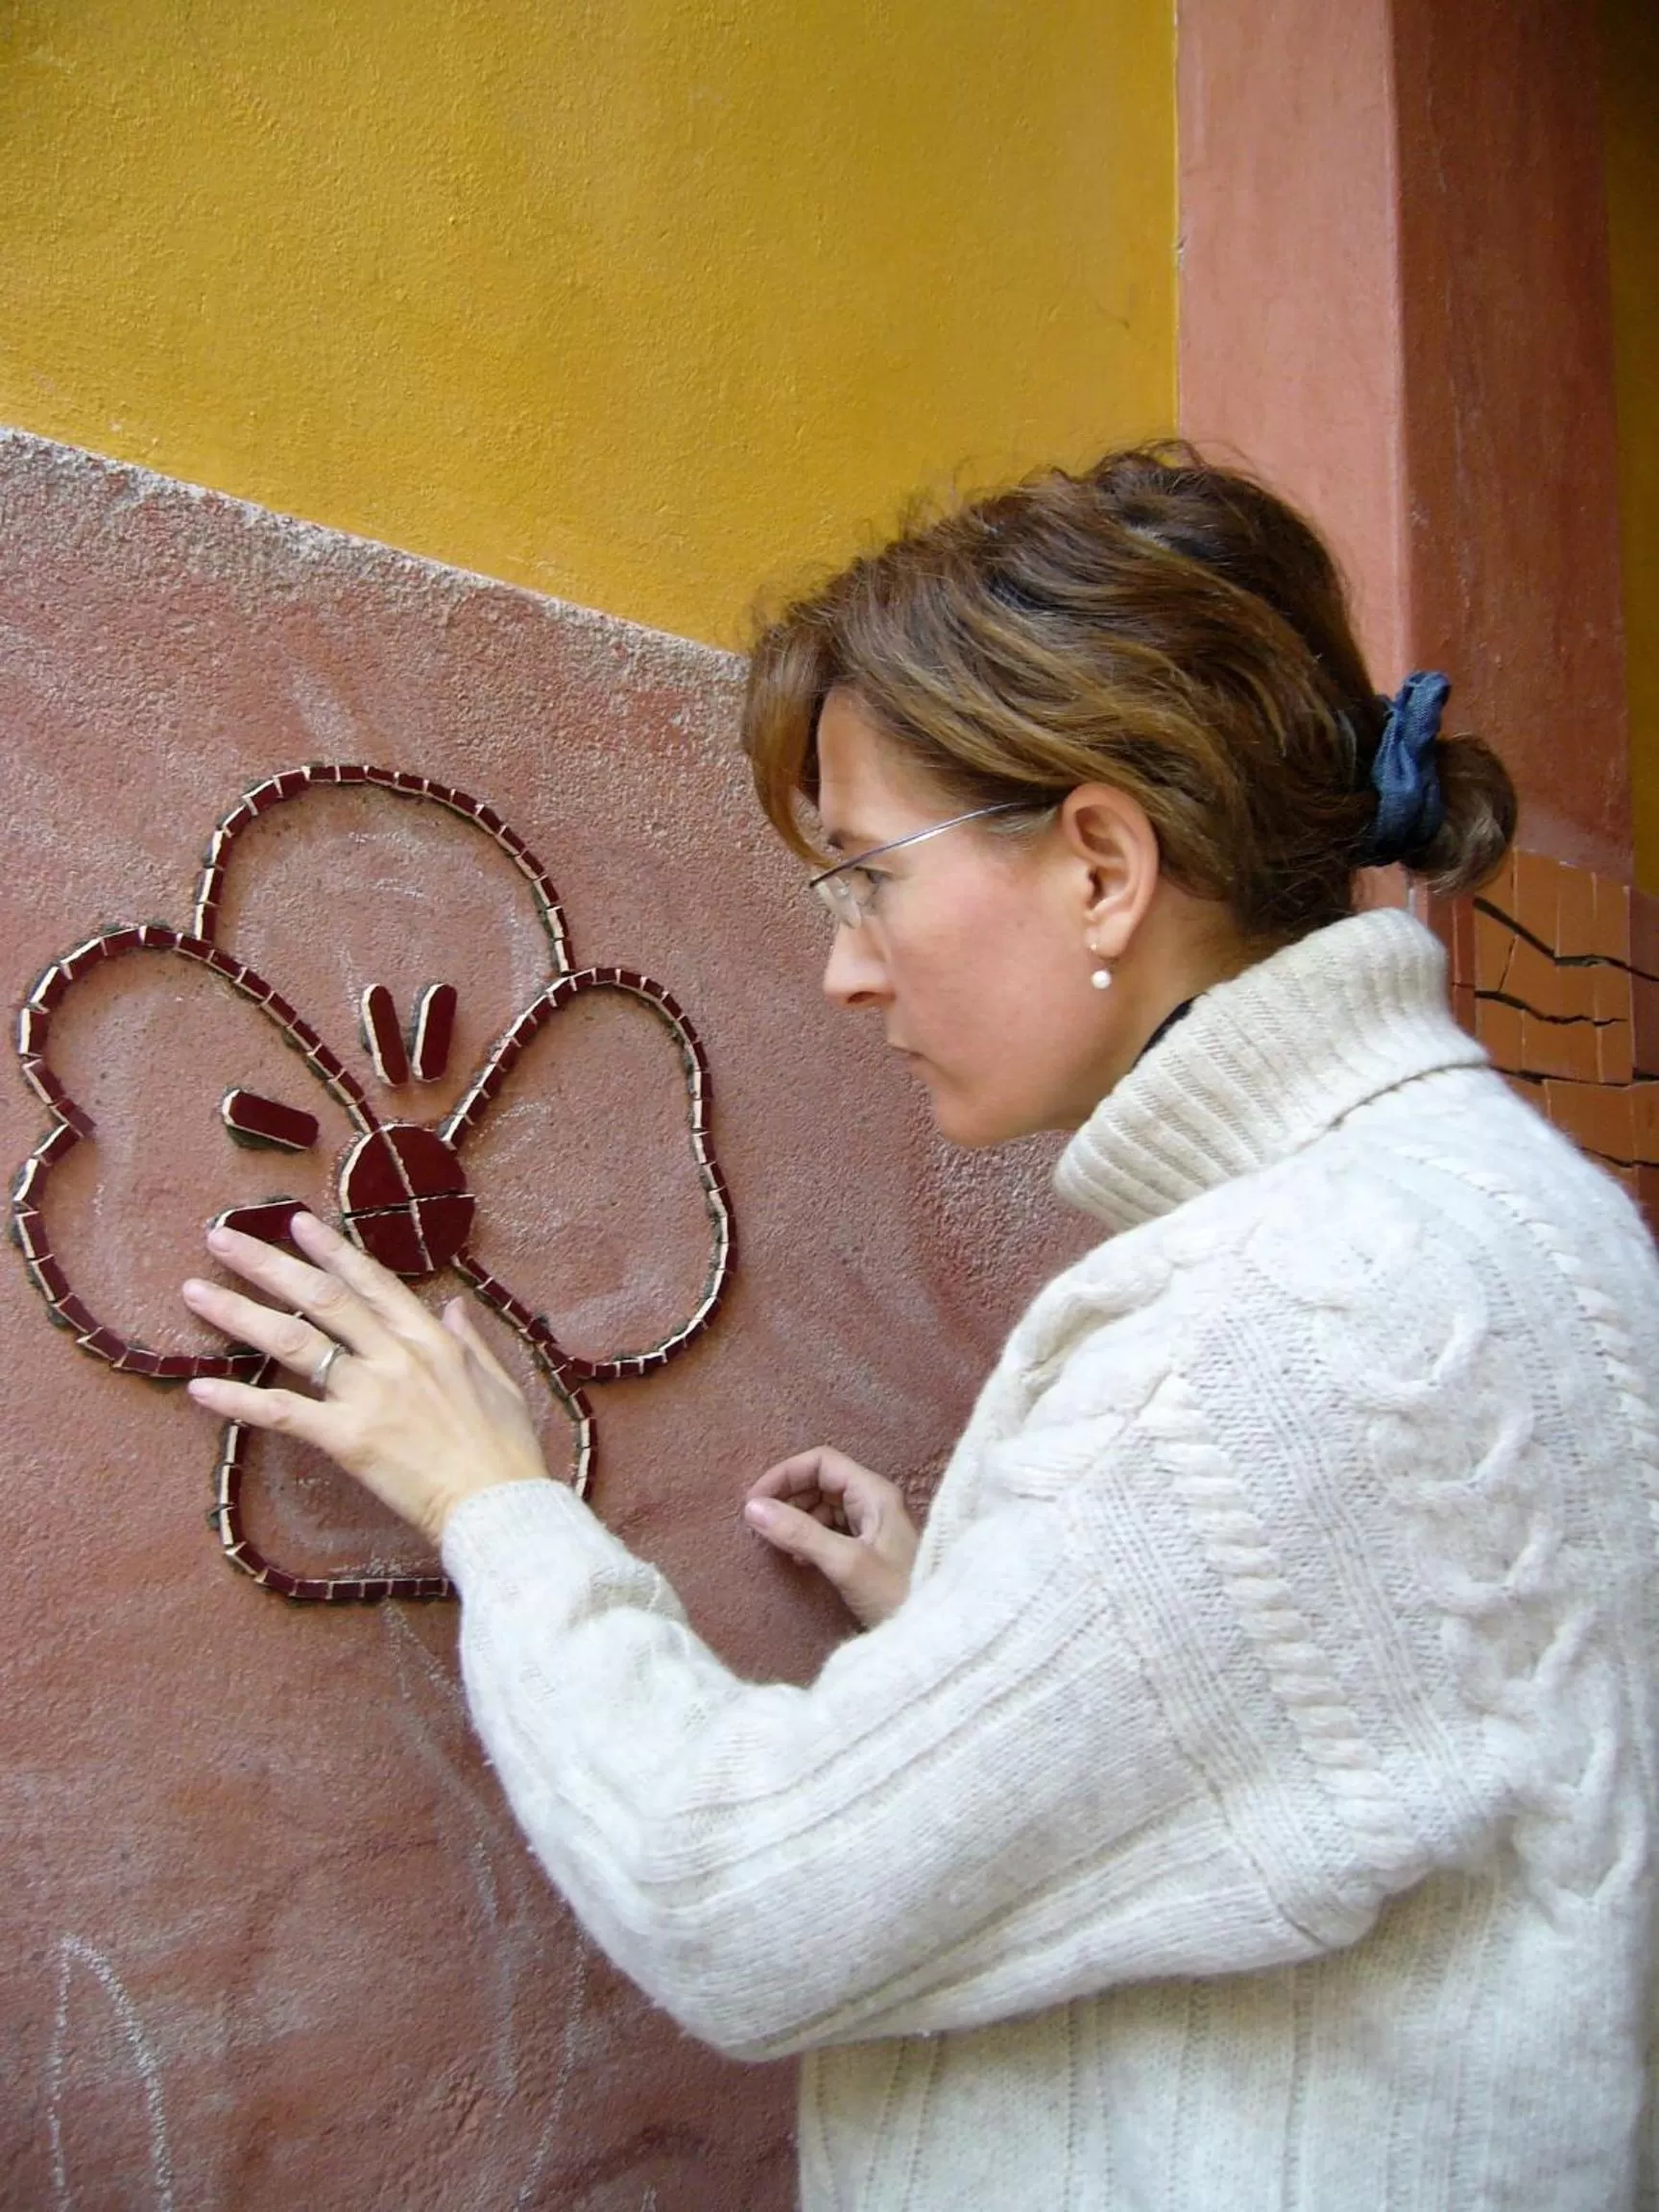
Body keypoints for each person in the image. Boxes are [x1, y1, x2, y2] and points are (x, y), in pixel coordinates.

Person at [180, 445, 1659, 2210]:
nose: (845, 968)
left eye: (867, 878)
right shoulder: (1516, 1210)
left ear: (1102, 864)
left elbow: (740, 1899)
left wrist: (490, 1495)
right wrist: (979, 1617)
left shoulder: (1273, 1324)